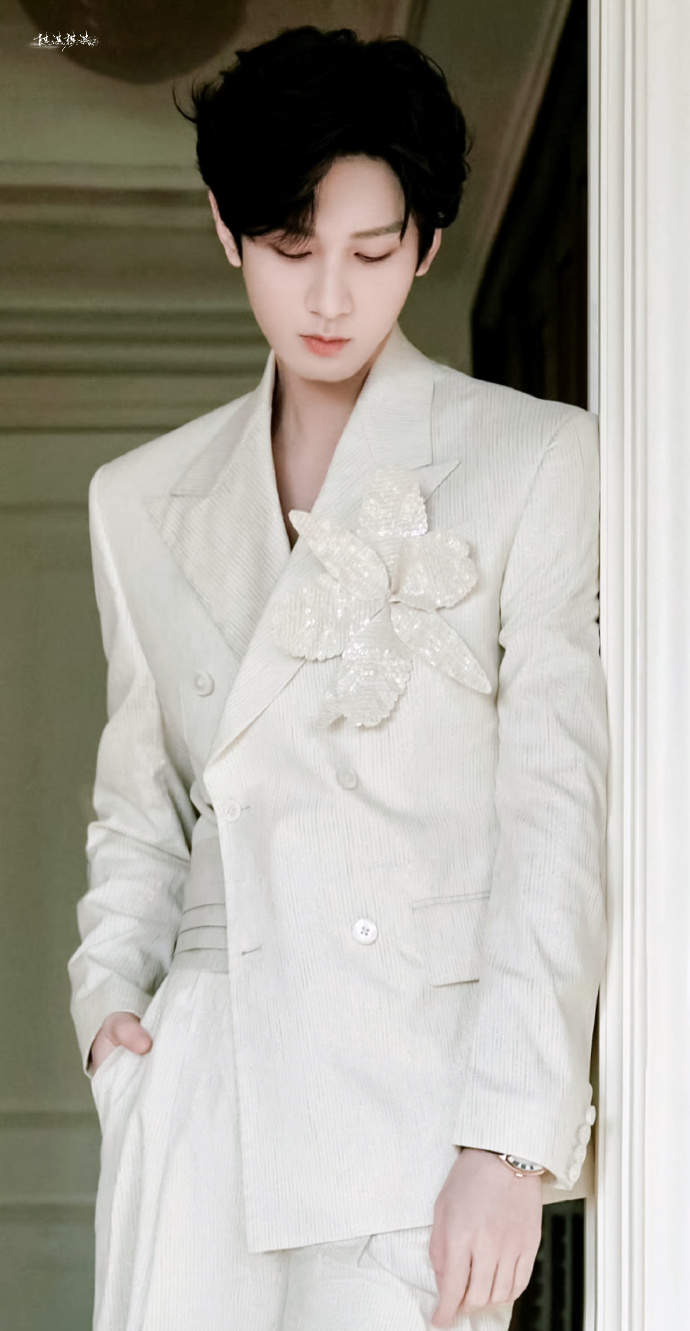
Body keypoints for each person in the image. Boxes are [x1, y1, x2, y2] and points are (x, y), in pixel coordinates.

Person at [68, 25, 608, 1331]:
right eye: (288, 248)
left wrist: (508, 1140)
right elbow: (141, 806)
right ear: (226, 229)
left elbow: (557, 810)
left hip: (413, 1112)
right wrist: (109, 1008)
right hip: (201, 1088)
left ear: (426, 242)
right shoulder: (138, 500)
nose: (328, 299)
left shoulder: (533, 459)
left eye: (370, 254)